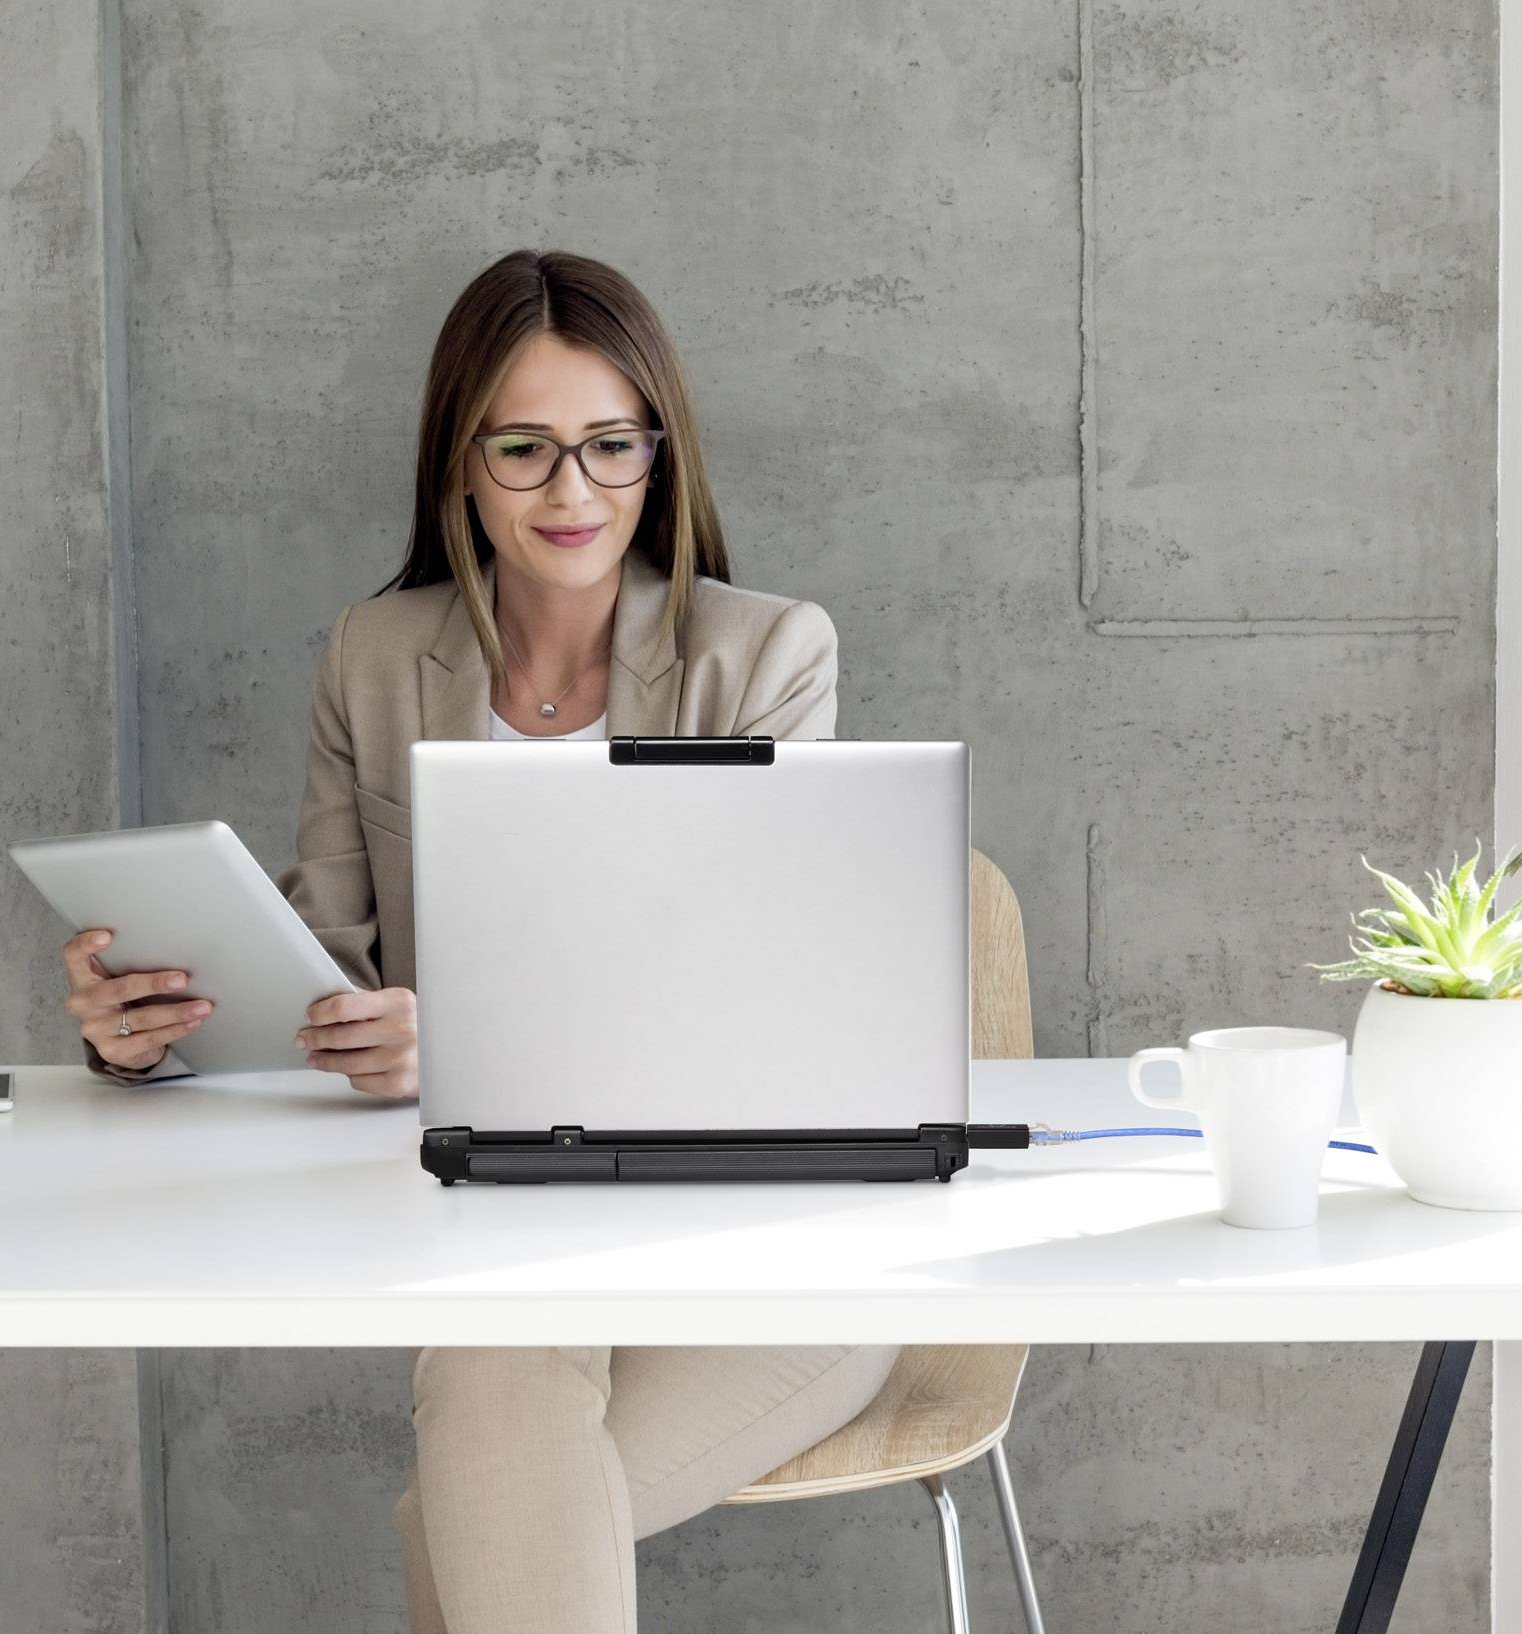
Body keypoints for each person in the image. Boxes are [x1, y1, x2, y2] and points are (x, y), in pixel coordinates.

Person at [59, 248, 899, 1633]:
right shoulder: (378, 657)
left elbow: (753, 1009)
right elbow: (312, 969)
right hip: (513, 1252)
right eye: (525, 448)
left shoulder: (762, 657)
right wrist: (150, 1025)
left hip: (772, 1249)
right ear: (461, 461)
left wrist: (467, 1047)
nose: (572, 492)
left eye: (609, 445)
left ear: (658, 454)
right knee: (495, 1408)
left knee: (469, 1519)